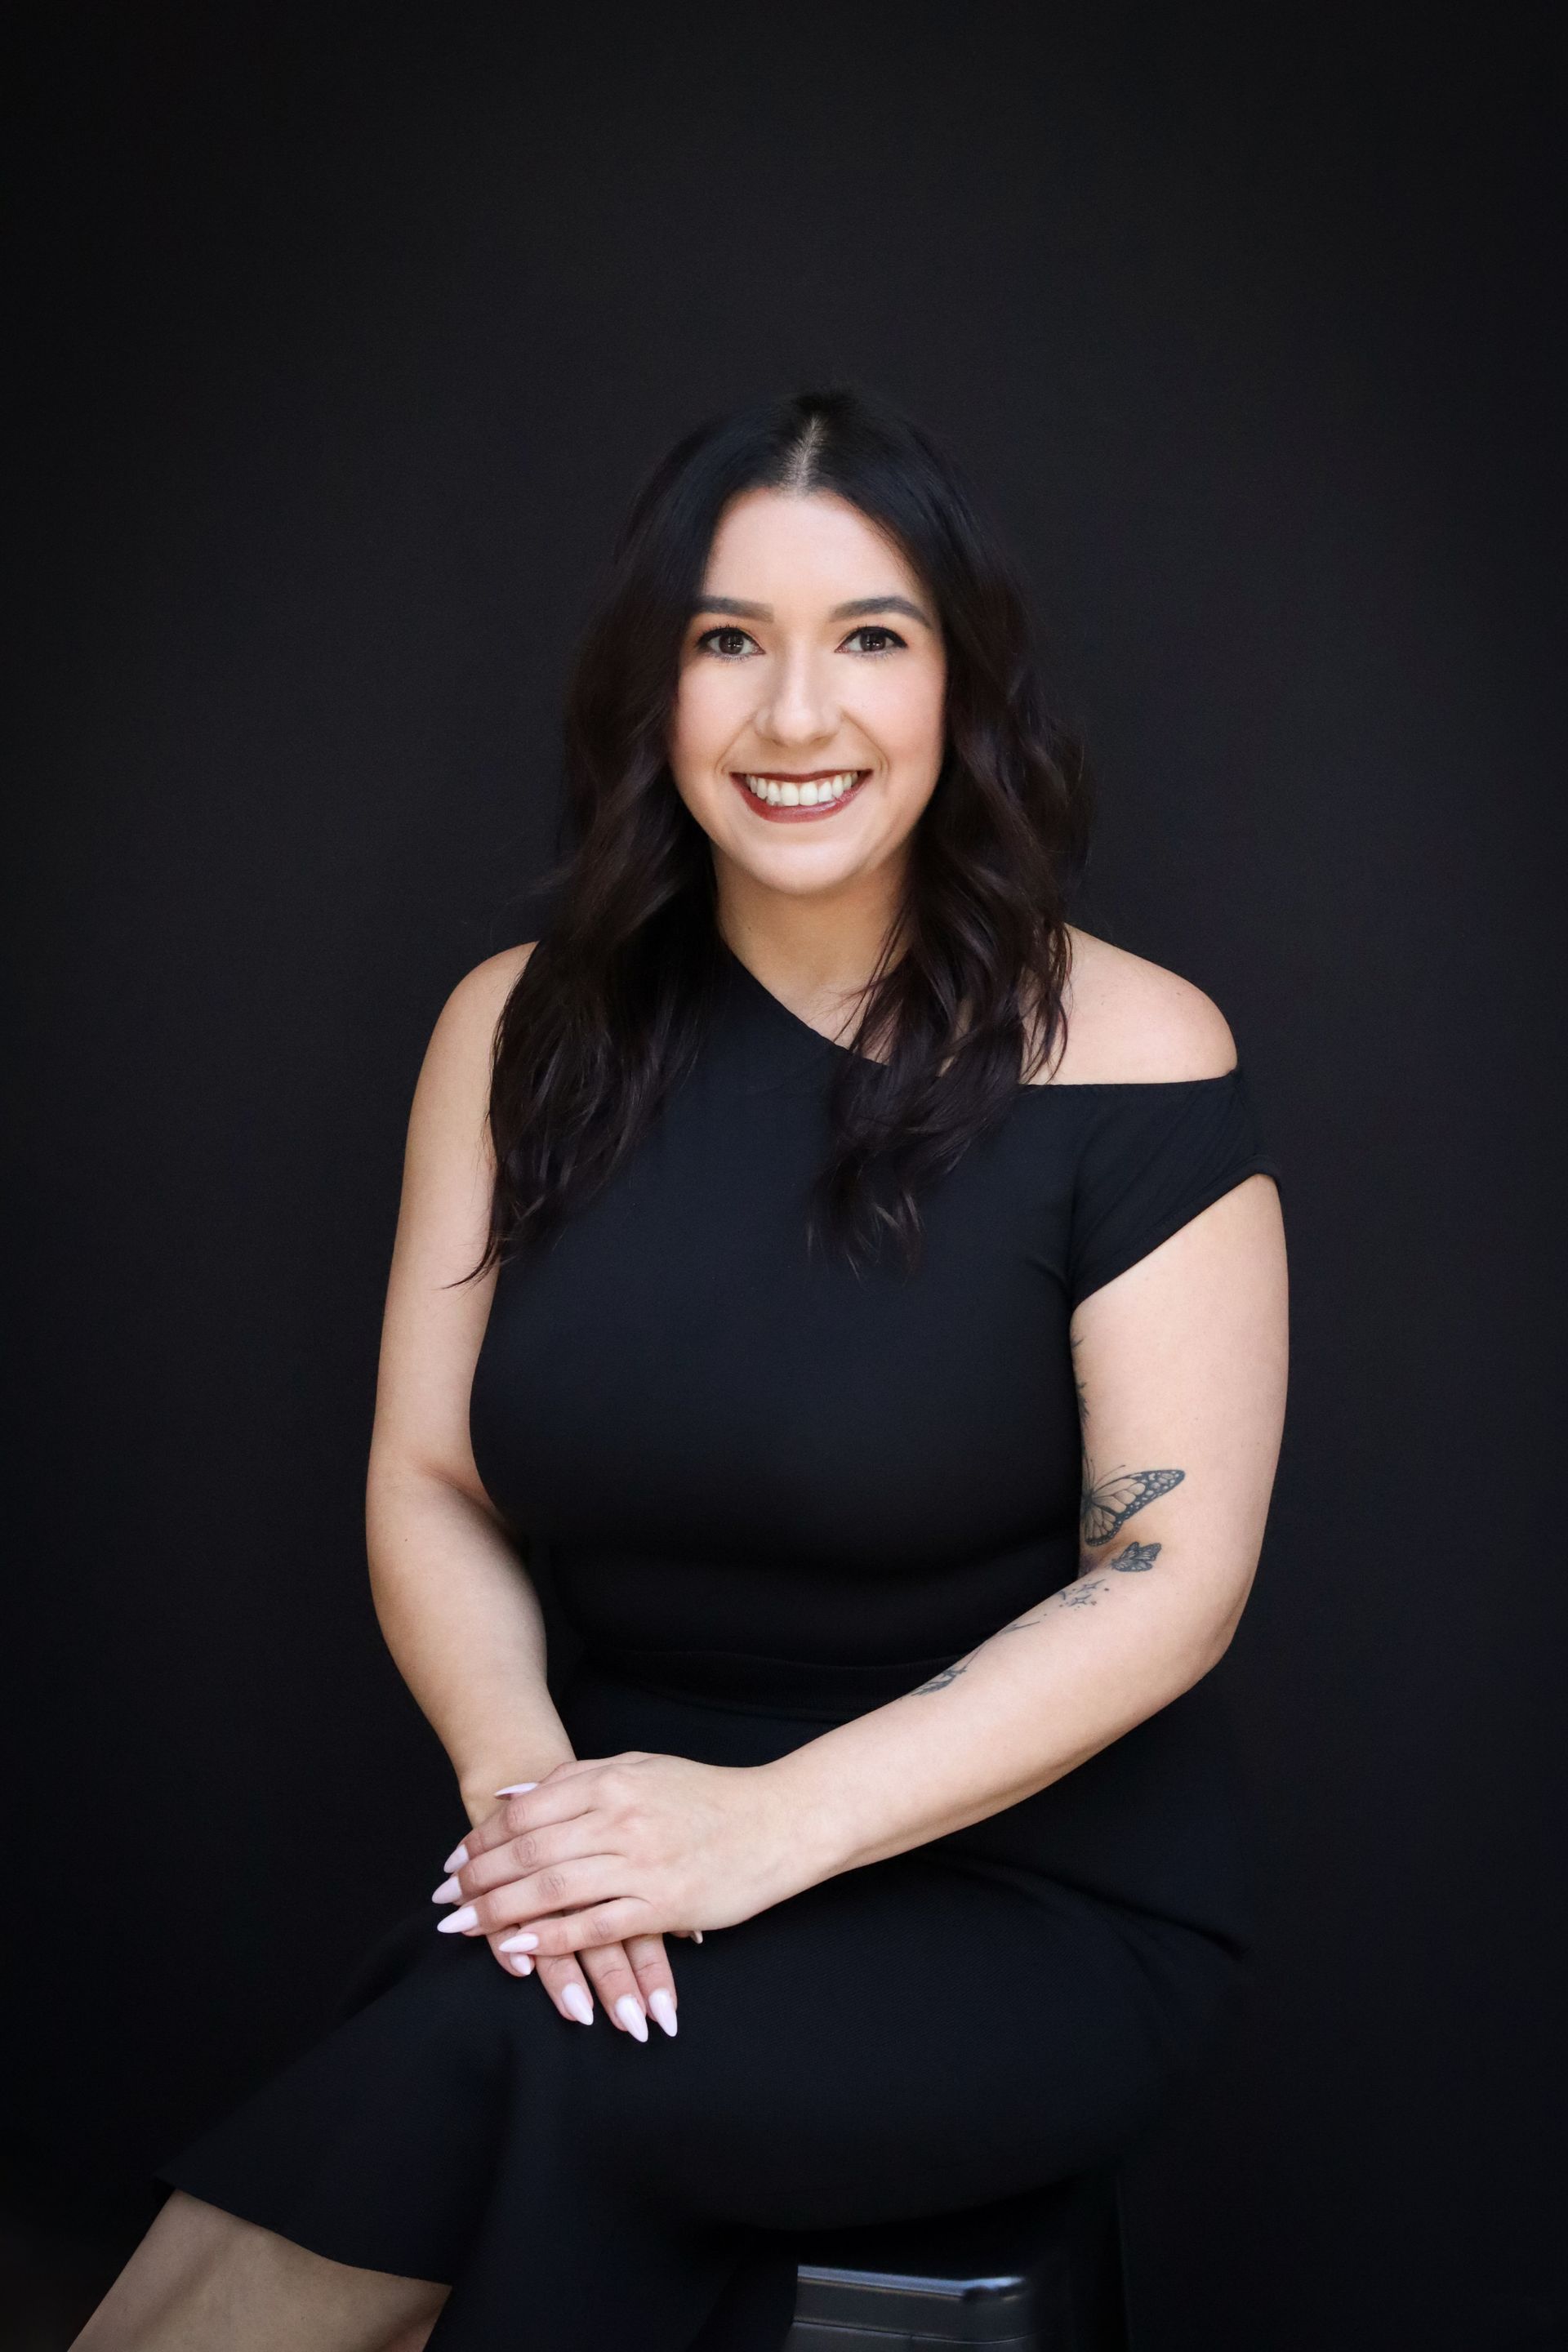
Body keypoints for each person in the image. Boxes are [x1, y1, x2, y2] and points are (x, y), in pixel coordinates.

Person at [75, 387, 1289, 2352]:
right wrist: (533, 1793)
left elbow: (1167, 1577)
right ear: (652, 686)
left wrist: (757, 1830)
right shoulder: (518, 1031)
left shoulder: (1135, 1057)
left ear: (960, 685)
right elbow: (430, 1477)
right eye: (729, 641)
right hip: (611, 1851)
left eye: (868, 640)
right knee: (516, 2027)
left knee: (499, 2054)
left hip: (1024, 1902)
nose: (794, 716)